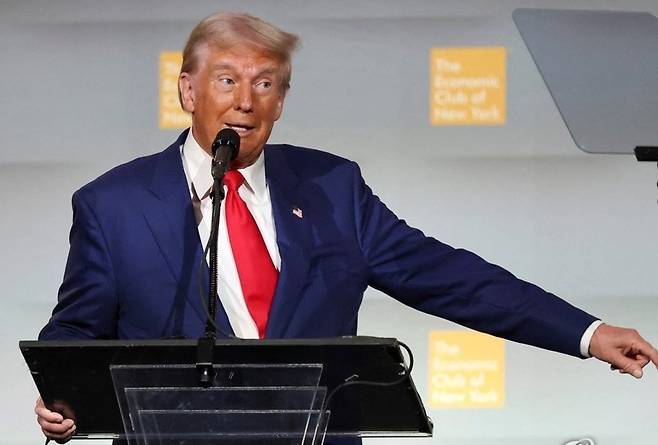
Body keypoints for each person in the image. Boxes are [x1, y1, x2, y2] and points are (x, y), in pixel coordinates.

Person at [35, 11, 658, 443]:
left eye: (265, 83)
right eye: (226, 80)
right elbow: (74, 330)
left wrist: (586, 332)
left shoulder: (331, 188)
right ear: (188, 91)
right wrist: (61, 396)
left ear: (281, 100)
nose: (245, 100)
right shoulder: (112, 205)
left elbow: (447, 277)